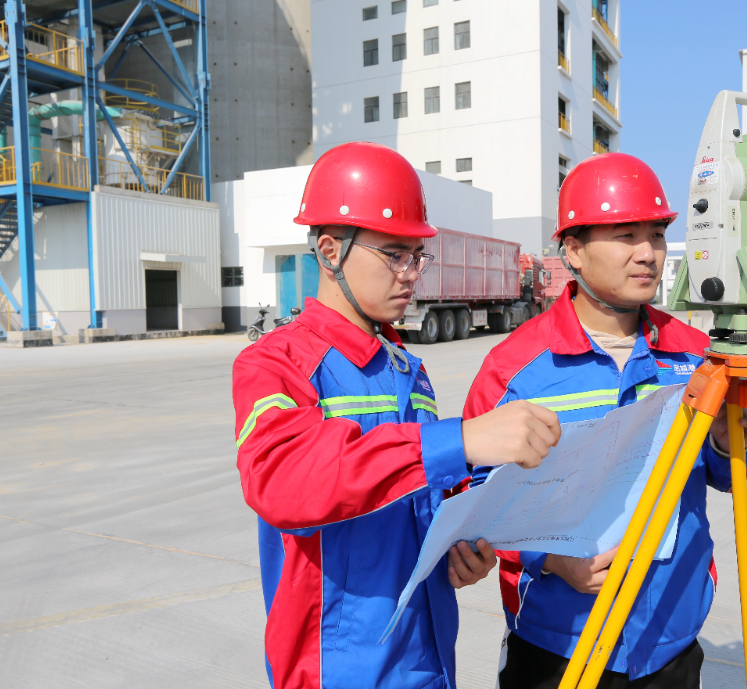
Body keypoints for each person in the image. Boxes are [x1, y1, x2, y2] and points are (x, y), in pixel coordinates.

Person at [232, 142, 561, 689]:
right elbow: (283, 480)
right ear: (331, 251)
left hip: (429, 660)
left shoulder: (408, 367)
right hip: (342, 672)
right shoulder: (277, 362)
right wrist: (460, 441)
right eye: (394, 254)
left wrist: (460, 547)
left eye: (417, 256)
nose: (411, 274)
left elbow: (416, 496)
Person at [463, 153, 747, 688]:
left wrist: (728, 445)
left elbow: (739, 475)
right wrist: (550, 560)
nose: (647, 253)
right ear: (574, 250)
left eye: (657, 235)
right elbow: (477, 501)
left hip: (670, 637)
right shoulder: (515, 369)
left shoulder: (698, 356)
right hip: (558, 642)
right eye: (626, 236)